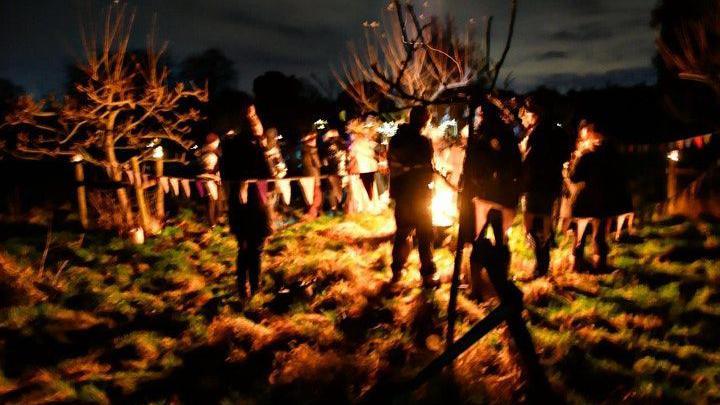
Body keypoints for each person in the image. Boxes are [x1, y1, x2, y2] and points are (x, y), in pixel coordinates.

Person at [462, 98, 522, 301]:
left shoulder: (480, 137)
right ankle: (500, 282)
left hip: (485, 195)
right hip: (504, 196)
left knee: (479, 239)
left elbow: (472, 167)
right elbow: (517, 164)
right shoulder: (509, 136)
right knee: (501, 239)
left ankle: (477, 287)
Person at [220, 101, 272, 299]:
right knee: (256, 248)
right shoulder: (256, 147)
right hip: (256, 204)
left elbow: (224, 172)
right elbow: (269, 175)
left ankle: (243, 289)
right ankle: (255, 288)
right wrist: (265, 151)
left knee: (243, 247)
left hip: (237, 204)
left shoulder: (230, 146)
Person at [568, 121, 633, 272]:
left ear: (590, 134)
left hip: (585, 199)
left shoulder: (586, 153)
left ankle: (577, 265)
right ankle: (600, 264)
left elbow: (574, 176)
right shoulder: (612, 152)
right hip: (605, 199)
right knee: (599, 234)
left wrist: (575, 161)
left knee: (580, 234)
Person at [519, 97, 571, 278]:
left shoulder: (538, 133)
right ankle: (543, 265)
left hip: (536, 184)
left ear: (536, 113)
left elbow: (530, 160)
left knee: (533, 226)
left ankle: (540, 266)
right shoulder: (557, 131)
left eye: (528, 113)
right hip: (551, 184)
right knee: (544, 224)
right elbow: (565, 155)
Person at [388, 106, 438, 288]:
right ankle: (427, 275)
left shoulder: (395, 140)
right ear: (423, 121)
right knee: (424, 236)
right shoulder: (423, 142)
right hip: (418, 195)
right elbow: (426, 166)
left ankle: (397, 272)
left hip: (402, 195)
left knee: (402, 233)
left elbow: (397, 165)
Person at [199, 132, 223, 226]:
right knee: (211, 200)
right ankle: (211, 223)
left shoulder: (214, 153)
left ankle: (215, 220)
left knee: (215, 199)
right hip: (208, 180)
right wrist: (214, 176)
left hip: (213, 179)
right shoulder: (209, 155)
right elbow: (205, 171)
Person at [301, 130, 323, 219]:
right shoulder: (312, 151)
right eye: (313, 139)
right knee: (317, 196)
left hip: (309, 176)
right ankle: (311, 214)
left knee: (313, 195)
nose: (315, 140)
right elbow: (317, 164)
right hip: (314, 176)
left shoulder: (304, 151)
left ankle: (315, 213)